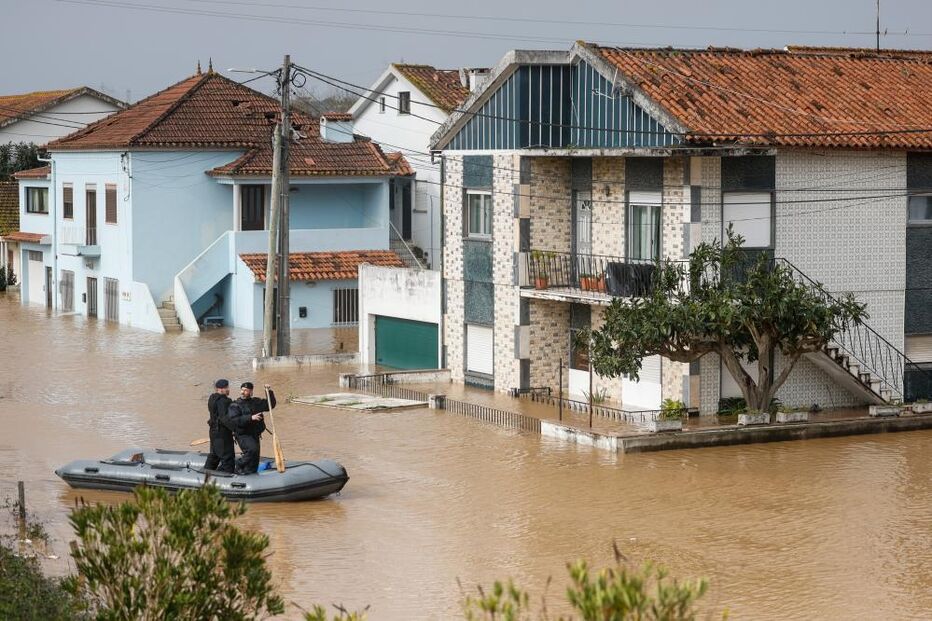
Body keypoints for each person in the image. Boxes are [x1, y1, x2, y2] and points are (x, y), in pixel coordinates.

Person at [230, 381, 276, 475]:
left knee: (255, 458)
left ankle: (250, 474)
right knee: (252, 450)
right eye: (242, 390)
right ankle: (238, 464)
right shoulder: (235, 405)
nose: (242, 392)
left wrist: (268, 391)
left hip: (255, 434)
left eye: (246, 390)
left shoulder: (256, 402)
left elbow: (270, 405)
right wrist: (250, 417)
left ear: (251, 392)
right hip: (243, 434)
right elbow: (235, 420)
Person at [204, 379, 235, 473]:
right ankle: (225, 479)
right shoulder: (223, 401)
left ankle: (205, 474)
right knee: (228, 457)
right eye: (226, 388)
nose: (228, 390)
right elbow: (224, 418)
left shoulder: (212, 398)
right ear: (220, 389)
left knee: (214, 455)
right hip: (222, 434)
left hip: (213, 432)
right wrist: (235, 429)